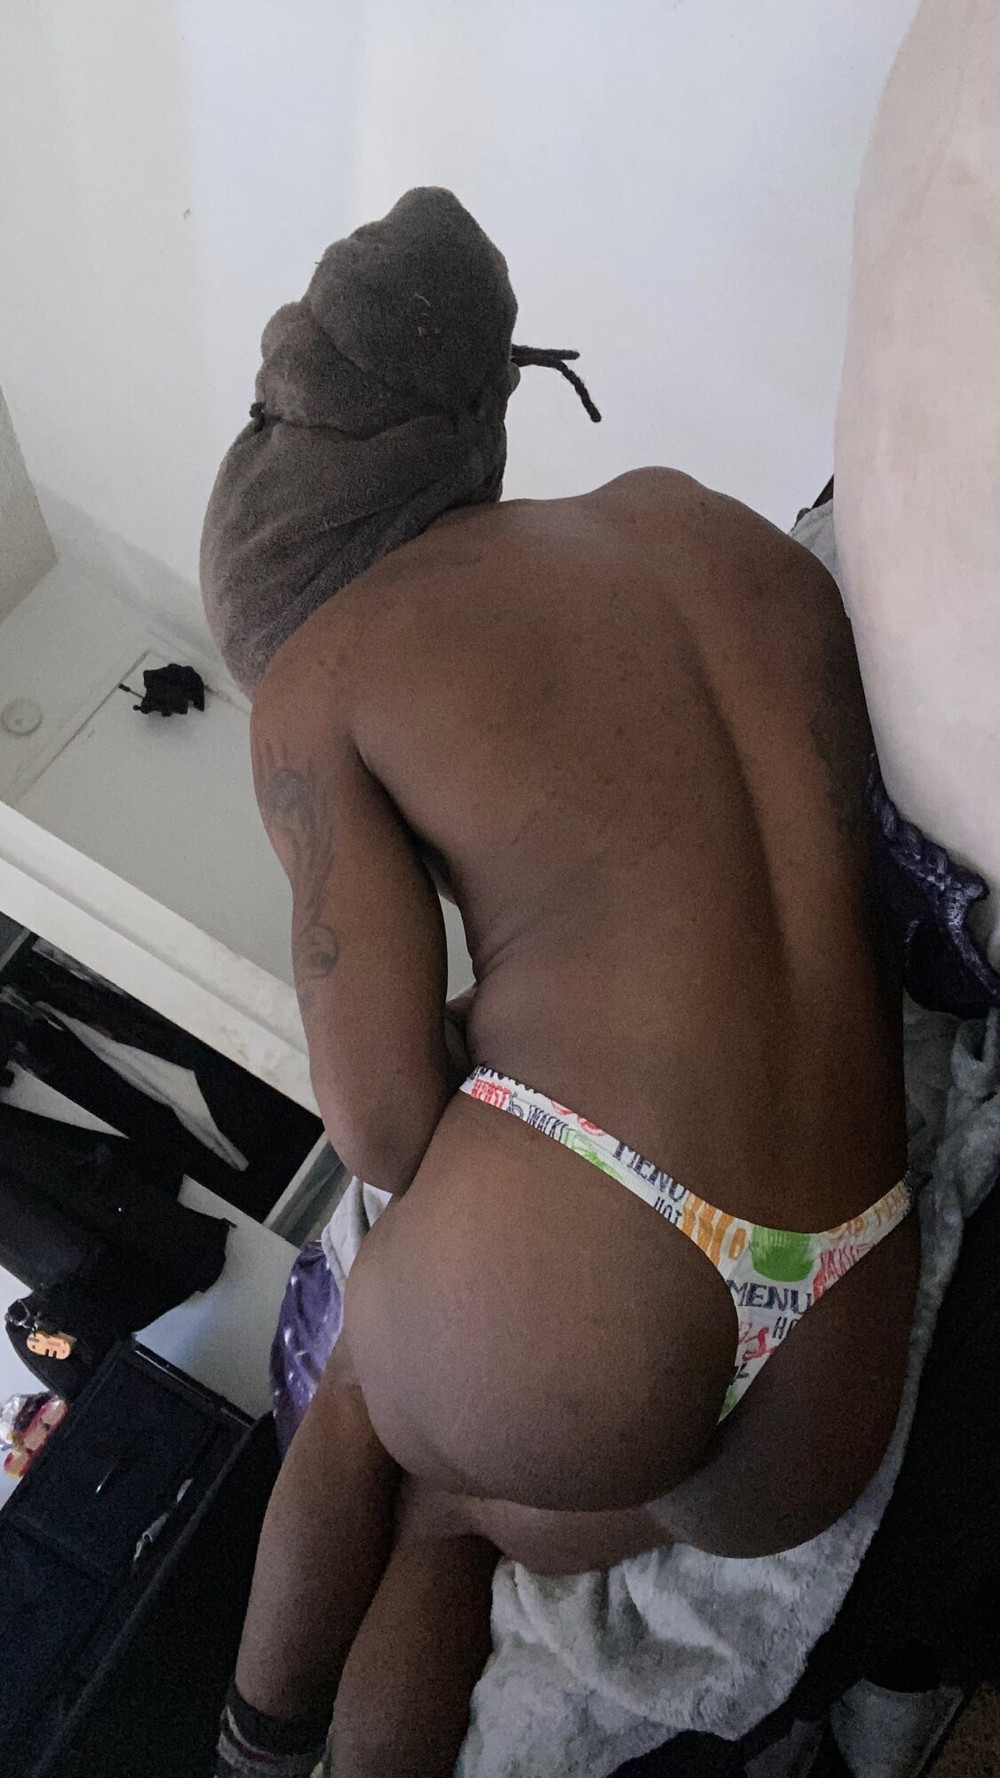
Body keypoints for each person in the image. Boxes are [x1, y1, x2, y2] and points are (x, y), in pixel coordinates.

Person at [204, 190, 919, 1778]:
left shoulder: (327, 668)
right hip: (847, 1327)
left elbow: (383, 1126)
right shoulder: (700, 521)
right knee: (467, 1501)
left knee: (369, 1406)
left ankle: (253, 1750)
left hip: (588, 1285)